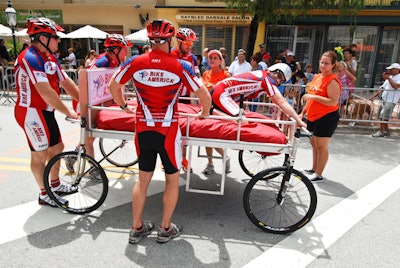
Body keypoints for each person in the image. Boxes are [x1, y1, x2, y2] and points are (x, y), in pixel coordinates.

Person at [108, 19, 211, 244]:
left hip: (143, 129)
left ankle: (136, 227)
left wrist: (124, 106)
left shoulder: (135, 62)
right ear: (170, 40)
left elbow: (113, 86)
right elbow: (205, 95)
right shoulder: (179, 65)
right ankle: (165, 228)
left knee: (142, 180)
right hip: (168, 132)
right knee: (172, 181)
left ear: (149, 40)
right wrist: (204, 113)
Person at [13, 18, 79, 207]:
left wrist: (84, 101)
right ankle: (44, 193)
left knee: (57, 148)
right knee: (40, 155)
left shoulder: (49, 57)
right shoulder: (30, 57)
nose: (59, 41)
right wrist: (69, 112)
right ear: (43, 38)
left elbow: (66, 82)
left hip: (46, 111)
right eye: (55, 37)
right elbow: (45, 91)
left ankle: (55, 185)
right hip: (31, 112)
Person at [66, 34, 132, 176]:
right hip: (86, 100)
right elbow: (88, 83)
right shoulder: (102, 61)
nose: (126, 53)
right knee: (89, 136)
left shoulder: (114, 61)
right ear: (115, 50)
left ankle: (73, 156)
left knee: (90, 136)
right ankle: (92, 167)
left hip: (96, 100)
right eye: (124, 49)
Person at [210, 63, 306, 129]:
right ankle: (211, 111)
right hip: (222, 93)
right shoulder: (267, 79)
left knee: (241, 116)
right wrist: (298, 120)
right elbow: (281, 101)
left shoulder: (264, 76)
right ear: (273, 70)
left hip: (222, 92)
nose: (278, 81)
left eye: (281, 81)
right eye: (279, 76)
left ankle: (213, 111)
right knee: (242, 122)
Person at [300, 50, 341, 182]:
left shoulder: (332, 81)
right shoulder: (317, 77)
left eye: (327, 63)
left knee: (321, 147)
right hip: (312, 116)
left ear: (333, 65)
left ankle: (318, 174)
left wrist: (313, 96)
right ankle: (313, 169)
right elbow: (310, 98)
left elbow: (333, 101)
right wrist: (303, 113)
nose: (323, 65)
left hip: (326, 117)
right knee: (314, 145)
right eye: (322, 62)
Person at [170, 27, 200, 172]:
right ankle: (168, 158)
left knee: (185, 131)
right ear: (179, 42)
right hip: (170, 98)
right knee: (170, 130)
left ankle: (183, 158)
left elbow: (197, 78)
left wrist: (199, 98)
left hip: (186, 98)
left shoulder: (192, 58)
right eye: (187, 43)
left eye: (191, 44)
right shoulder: (169, 54)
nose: (189, 47)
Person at [201, 49, 230, 175]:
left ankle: (224, 156)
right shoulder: (205, 74)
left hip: (220, 109)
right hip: (207, 108)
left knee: (213, 137)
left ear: (220, 61)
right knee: (205, 136)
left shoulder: (226, 75)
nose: (212, 60)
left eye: (215, 58)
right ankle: (210, 163)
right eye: (210, 57)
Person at [369, 63, 400, 137]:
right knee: (383, 116)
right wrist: (374, 96)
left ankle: (381, 131)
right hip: (384, 99)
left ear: (397, 69)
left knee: (383, 115)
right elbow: (383, 88)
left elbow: (396, 86)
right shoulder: (389, 77)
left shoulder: (398, 77)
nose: (390, 70)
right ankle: (386, 130)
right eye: (389, 69)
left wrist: (388, 79)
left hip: (391, 100)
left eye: (392, 69)